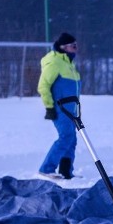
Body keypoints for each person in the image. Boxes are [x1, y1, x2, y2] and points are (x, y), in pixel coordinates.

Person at [37, 32, 81, 179]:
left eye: (76, 45)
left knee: (71, 139)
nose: (76, 49)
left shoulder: (69, 63)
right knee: (66, 137)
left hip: (71, 109)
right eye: (73, 46)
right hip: (60, 108)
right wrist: (49, 107)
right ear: (63, 47)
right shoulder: (54, 62)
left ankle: (66, 171)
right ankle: (46, 168)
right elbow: (43, 86)